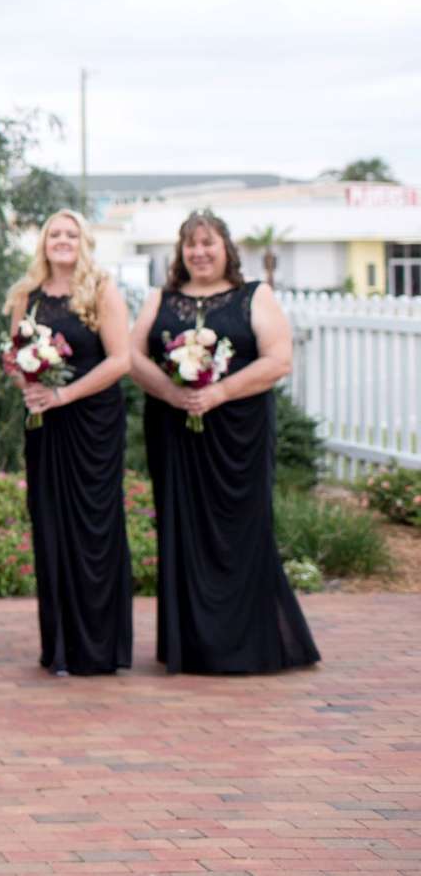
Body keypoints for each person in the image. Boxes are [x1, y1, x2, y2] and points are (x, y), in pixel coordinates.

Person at [130, 210, 319, 674]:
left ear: (226, 248)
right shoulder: (162, 299)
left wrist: (217, 391)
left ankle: (245, 647)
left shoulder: (255, 296)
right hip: (176, 434)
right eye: (191, 245)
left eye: (208, 244)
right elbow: (132, 357)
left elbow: (278, 361)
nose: (199, 253)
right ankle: (190, 647)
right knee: (182, 530)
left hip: (239, 437)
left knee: (240, 532)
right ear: (181, 252)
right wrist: (175, 392)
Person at [4, 209, 133, 677]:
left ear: (84, 241)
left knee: (93, 529)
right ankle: (57, 645)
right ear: (42, 243)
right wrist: (27, 385)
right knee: (51, 526)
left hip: (92, 425)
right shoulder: (27, 296)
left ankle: (97, 648)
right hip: (45, 426)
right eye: (54, 234)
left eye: (70, 234)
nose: (62, 240)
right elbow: (16, 360)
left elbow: (121, 360)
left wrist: (63, 394)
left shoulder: (101, 290)